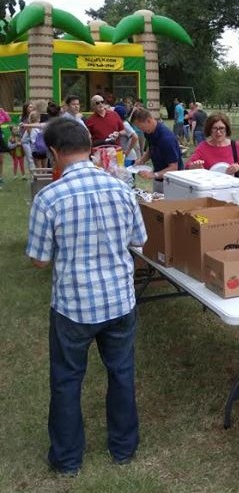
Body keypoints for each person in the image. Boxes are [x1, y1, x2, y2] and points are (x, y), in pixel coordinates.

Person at [26, 117, 147, 476]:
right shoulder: (122, 189)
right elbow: (139, 240)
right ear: (91, 149)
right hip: (119, 300)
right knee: (121, 374)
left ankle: (66, 460)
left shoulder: (49, 197)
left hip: (73, 306)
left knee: (66, 380)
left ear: (54, 153)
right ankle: (123, 449)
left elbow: (38, 260)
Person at [131, 107, 181, 193]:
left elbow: (173, 167)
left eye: (141, 127)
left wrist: (153, 175)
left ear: (149, 120)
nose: (140, 130)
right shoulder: (149, 132)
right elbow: (151, 148)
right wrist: (142, 160)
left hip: (173, 181)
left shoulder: (166, 139)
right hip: (158, 177)